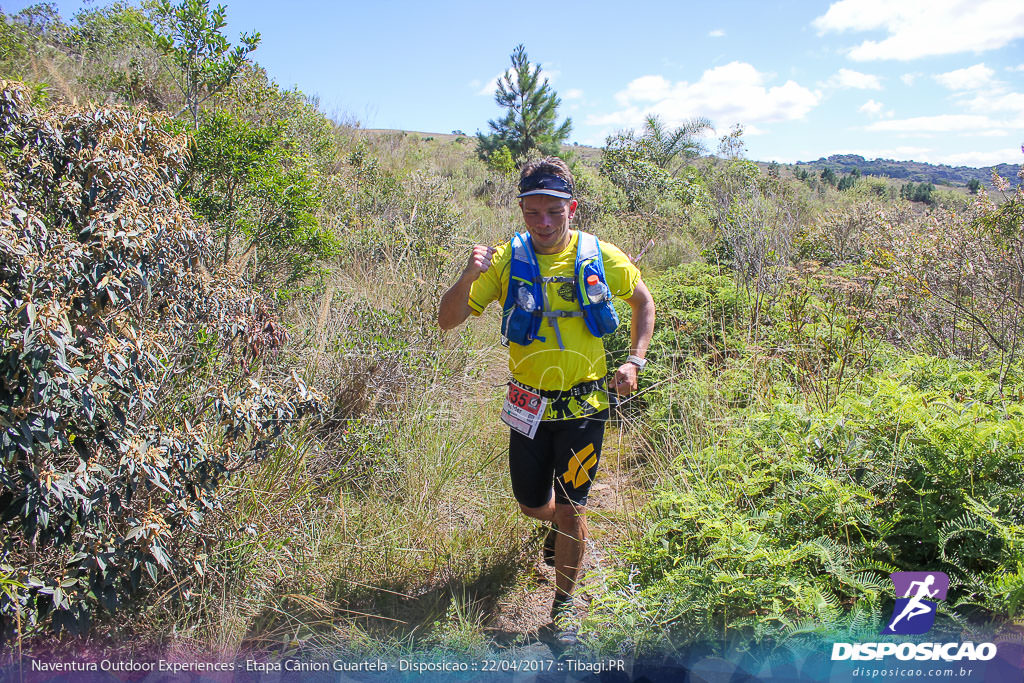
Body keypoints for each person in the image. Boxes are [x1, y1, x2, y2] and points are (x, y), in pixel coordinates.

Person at [437, 156, 655, 645]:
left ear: (571, 208)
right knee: (534, 505)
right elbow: (447, 320)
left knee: (573, 505)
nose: (544, 223)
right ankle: (553, 527)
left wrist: (634, 361)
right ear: (521, 211)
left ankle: (564, 611)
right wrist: (468, 276)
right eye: (533, 213)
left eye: (554, 212)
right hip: (527, 405)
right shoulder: (503, 263)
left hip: (584, 407)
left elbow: (643, 301)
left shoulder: (600, 254)